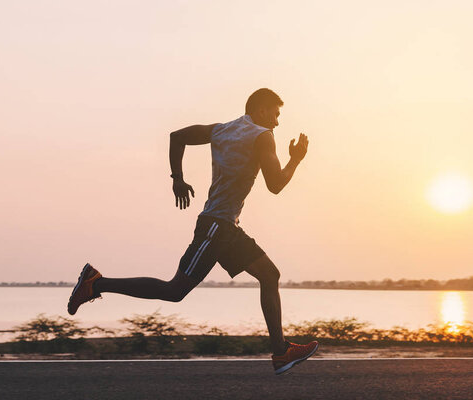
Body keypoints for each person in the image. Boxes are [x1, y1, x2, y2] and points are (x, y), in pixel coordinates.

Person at [67, 88, 317, 374]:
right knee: (174, 290)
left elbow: (177, 137)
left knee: (269, 274)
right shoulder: (262, 135)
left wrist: (178, 179)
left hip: (225, 226)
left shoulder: (221, 130)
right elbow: (275, 185)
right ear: (261, 110)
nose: (277, 121)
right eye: (276, 113)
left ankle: (281, 351)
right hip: (216, 226)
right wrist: (296, 159)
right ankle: (95, 283)